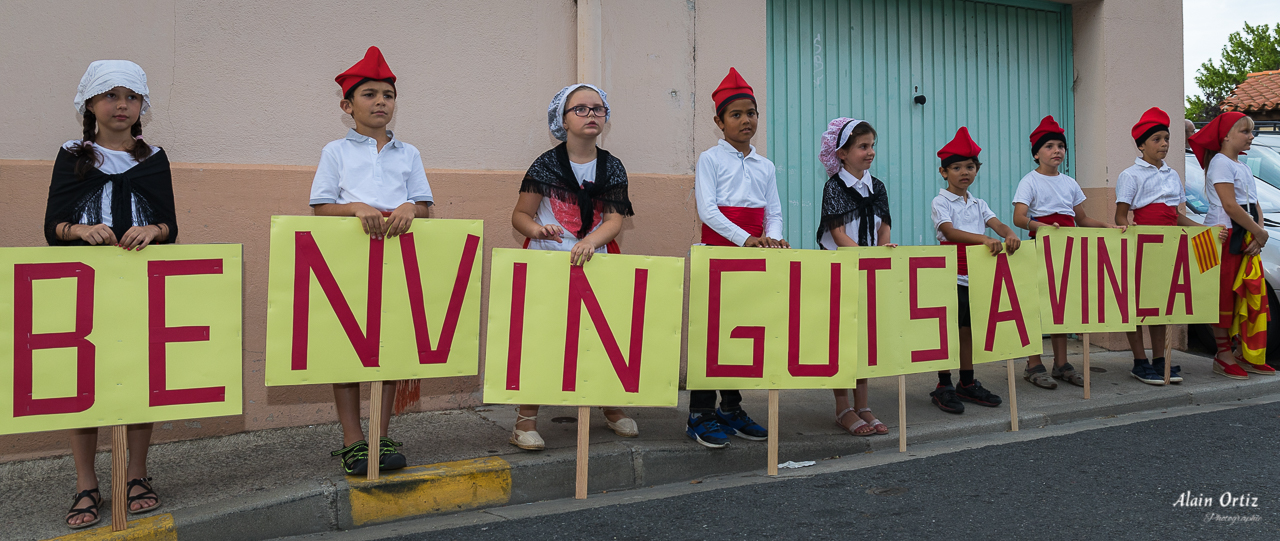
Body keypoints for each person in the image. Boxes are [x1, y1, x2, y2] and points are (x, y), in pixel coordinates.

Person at [44, 60, 176, 528]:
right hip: (86, 288)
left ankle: (136, 475)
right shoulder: (71, 155)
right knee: (85, 386)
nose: (122, 106)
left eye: (131, 97)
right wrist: (78, 229)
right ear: (90, 104)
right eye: (111, 96)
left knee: (138, 381)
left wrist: (154, 230)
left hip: (139, 287)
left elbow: (170, 225)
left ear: (142, 106)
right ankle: (86, 482)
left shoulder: (153, 158)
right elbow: (52, 227)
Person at [310, 46, 433, 474]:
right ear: (347, 106)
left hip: (397, 262)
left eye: (388, 94)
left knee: (389, 346)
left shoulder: (409, 153)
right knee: (348, 348)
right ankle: (352, 439)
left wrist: (410, 208)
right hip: (348, 263)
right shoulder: (335, 152)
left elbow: (423, 204)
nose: (381, 101)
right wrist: (355, 207)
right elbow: (322, 207)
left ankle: (381, 435)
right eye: (369, 94)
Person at [508, 83, 638, 450]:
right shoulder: (545, 164)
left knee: (601, 334)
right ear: (562, 120)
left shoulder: (612, 166)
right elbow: (520, 215)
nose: (591, 115)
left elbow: (613, 220)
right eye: (580, 109)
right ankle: (524, 419)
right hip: (548, 259)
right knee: (540, 335)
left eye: (597, 109)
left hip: (595, 257)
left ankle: (610, 406)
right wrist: (538, 229)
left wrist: (590, 241)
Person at [688, 68, 782, 448]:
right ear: (719, 121)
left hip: (753, 256)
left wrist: (772, 239)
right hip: (718, 255)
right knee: (710, 336)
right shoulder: (710, 160)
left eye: (752, 113)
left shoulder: (766, 166)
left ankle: (730, 408)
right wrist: (746, 239)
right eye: (737, 114)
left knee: (739, 334)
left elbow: (773, 211)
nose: (747, 120)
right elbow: (708, 211)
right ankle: (700, 414)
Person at [1012, 115, 1123, 389]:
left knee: (1062, 305)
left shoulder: (1070, 183)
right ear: (1036, 153)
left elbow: (1082, 219)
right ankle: (1033, 362)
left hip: (1067, 251)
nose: (1056, 150)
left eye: (1060, 145)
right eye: (1049, 146)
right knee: (1037, 306)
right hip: (1042, 249)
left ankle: (1061, 363)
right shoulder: (1030, 181)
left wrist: (1107, 226)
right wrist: (1044, 227)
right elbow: (1018, 217)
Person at [927, 127, 1019, 413]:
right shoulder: (941, 202)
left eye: (970, 166)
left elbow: (998, 224)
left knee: (968, 330)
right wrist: (984, 239)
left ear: (977, 170)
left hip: (976, 276)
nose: (964, 172)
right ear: (944, 172)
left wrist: (1009, 234)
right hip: (950, 275)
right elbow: (949, 232)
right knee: (949, 330)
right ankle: (943, 384)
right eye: (956, 167)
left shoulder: (979, 204)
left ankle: (966, 382)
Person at [815, 117, 893, 435]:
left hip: (868, 271)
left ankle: (863, 405)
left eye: (872, 145)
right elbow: (837, 232)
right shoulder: (835, 186)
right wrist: (863, 256)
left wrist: (884, 250)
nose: (870, 152)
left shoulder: (878, 188)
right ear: (843, 153)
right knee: (842, 340)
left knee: (863, 341)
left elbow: (884, 225)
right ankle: (842, 406)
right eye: (863, 146)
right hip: (843, 272)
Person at [1114, 107, 1198, 385]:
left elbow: (1175, 214)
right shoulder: (1131, 175)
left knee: (1161, 305)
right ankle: (1140, 361)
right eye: (1156, 139)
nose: (1164, 144)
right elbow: (1120, 216)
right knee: (1138, 305)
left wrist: (1203, 230)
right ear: (1141, 145)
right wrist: (1132, 228)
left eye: (1167, 138)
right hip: (1143, 247)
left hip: (1168, 246)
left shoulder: (1173, 175)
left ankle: (1161, 358)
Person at [1189, 111, 1274, 379]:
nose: (1251, 136)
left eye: (1251, 131)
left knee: (1246, 294)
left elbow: (1254, 204)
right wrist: (1258, 233)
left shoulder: (1244, 167)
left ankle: (1243, 352)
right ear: (1226, 136)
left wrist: (1258, 233)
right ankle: (1223, 353)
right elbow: (1229, 204)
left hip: (1244, 234)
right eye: (1245, 131)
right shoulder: (1221, 164)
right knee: (1223, 294)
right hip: (1223, 235)